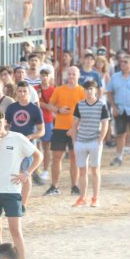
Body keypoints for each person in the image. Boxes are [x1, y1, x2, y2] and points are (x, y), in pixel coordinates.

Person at [0, 111, 43, 259]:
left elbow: (38, 156)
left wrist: (27, 173)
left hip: (12, 191)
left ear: (6, 122)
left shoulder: (17, 138)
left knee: (16, 231)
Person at [68, 80, 109, 207]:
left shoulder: (101, 104)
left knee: (95, 170)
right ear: (84, 91)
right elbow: (75, 124)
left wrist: (100, 140)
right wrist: (75, 141)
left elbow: (105, 123)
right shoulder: (79, 105)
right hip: (81, 140)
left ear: (96, 90)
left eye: (91, 89)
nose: (89, 91)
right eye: (86, 89)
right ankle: (82, 197)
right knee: (82, 170)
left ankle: (95, 198)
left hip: (94, 141)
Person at [45, 66, 84, 196]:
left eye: (74, 74)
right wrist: (58, 110)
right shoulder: (59, 90)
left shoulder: (82, 91)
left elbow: (86, 110)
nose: (71, 76)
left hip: (76, 128)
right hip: (60, 127)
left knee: (74, 158)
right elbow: (50, 105)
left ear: (78, 76)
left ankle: (74, 186)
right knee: (56, 158)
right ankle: (54, 186)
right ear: (66, 76)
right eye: (70, 74)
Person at [107, 54, 130, 167]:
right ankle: (119, 157)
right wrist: (113, 107)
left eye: (125, 62)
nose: (123, 64)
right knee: (120, 134)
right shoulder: (115, 77)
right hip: (120, 109)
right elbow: (109, 92)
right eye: (121, 62)